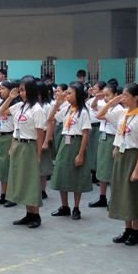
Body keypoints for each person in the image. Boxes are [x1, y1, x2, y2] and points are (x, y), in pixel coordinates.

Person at [97, 83, 138, 246]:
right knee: (122, 193)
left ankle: (135, 231)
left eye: (126, 96)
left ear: (136, 98)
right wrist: (112, 102)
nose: (123, 98)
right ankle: (127, 229)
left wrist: (137, 169)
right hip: (120, 155)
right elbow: (100, 115)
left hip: (133, 157)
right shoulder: (122, 112)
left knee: (133, 194)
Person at [0, 76, 46, 228]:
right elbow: (2, 112)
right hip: (18, 144)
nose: (21, 93)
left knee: (31, 180)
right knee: (21, 180)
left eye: (23, 90)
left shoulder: (37, 109)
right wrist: (10, 98)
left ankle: (36, 215)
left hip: (30, 145)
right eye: (20, 90)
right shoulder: (19, 106)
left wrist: (39, 154)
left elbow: (40, 133)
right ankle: (28, 213)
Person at [48, 81, 93, 220]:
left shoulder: (83, 112)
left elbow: (86, 134)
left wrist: (80, 154)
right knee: (62, 173)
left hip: (76, 142)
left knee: (76, 176)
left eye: (69, 93)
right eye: (66, 93)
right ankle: (64, 206)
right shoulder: (67, 109)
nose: (66, 95)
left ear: (78, 95)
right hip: (65, 142)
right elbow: (50, 118)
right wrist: (57, 104)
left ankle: (76, 207)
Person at [89, 82, 122, 208]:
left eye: (108, 95)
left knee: (111, 170)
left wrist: (109, 103)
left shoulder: (118, 109)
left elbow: (99, 115)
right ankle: (102, 197)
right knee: (102, 168)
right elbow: (93, 106)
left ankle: (114, 199)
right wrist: (98, 98)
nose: (105, 97)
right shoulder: (107, 106)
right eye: (105, 95)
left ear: (116, 95)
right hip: (103, 137)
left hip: (112, 138)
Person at [0, 81, 18, 207]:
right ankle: (3, 194)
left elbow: (3, 113)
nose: (1, 91)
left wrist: (11, 97)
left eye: (3, 89)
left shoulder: (16, 105)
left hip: (9, 137)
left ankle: (12, 196)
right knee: (1, 168)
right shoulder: (1, 102)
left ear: (12, 91)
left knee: (9, 168)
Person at [86, 81, 106, 184]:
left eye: (95, 88)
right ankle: (92, 170)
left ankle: (96, 173)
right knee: (91, 150)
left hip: (99, 126)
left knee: (97, 150)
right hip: (90, 127)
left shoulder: (105, 101)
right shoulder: (90, 100)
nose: (93, 90)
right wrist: (89, 94)